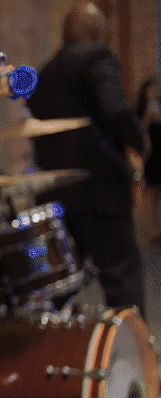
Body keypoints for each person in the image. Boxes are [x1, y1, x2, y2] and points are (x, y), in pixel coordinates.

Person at [26, 2, 147, 315]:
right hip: (100, 190)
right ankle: (136, 355)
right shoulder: (98, 57)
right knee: (122, 277)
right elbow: (116, 110)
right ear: (99, 32)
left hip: (59, 193)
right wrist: (138, 143)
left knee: (64, 280)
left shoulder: (46, 72)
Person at [135, 77, 161, 248]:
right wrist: (147, 117)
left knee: (158, 194)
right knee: (150, 193)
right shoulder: (141, 109)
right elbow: (138, 130)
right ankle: (151, 232)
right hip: (150, 156)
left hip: (160, 152)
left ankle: (157, 229)